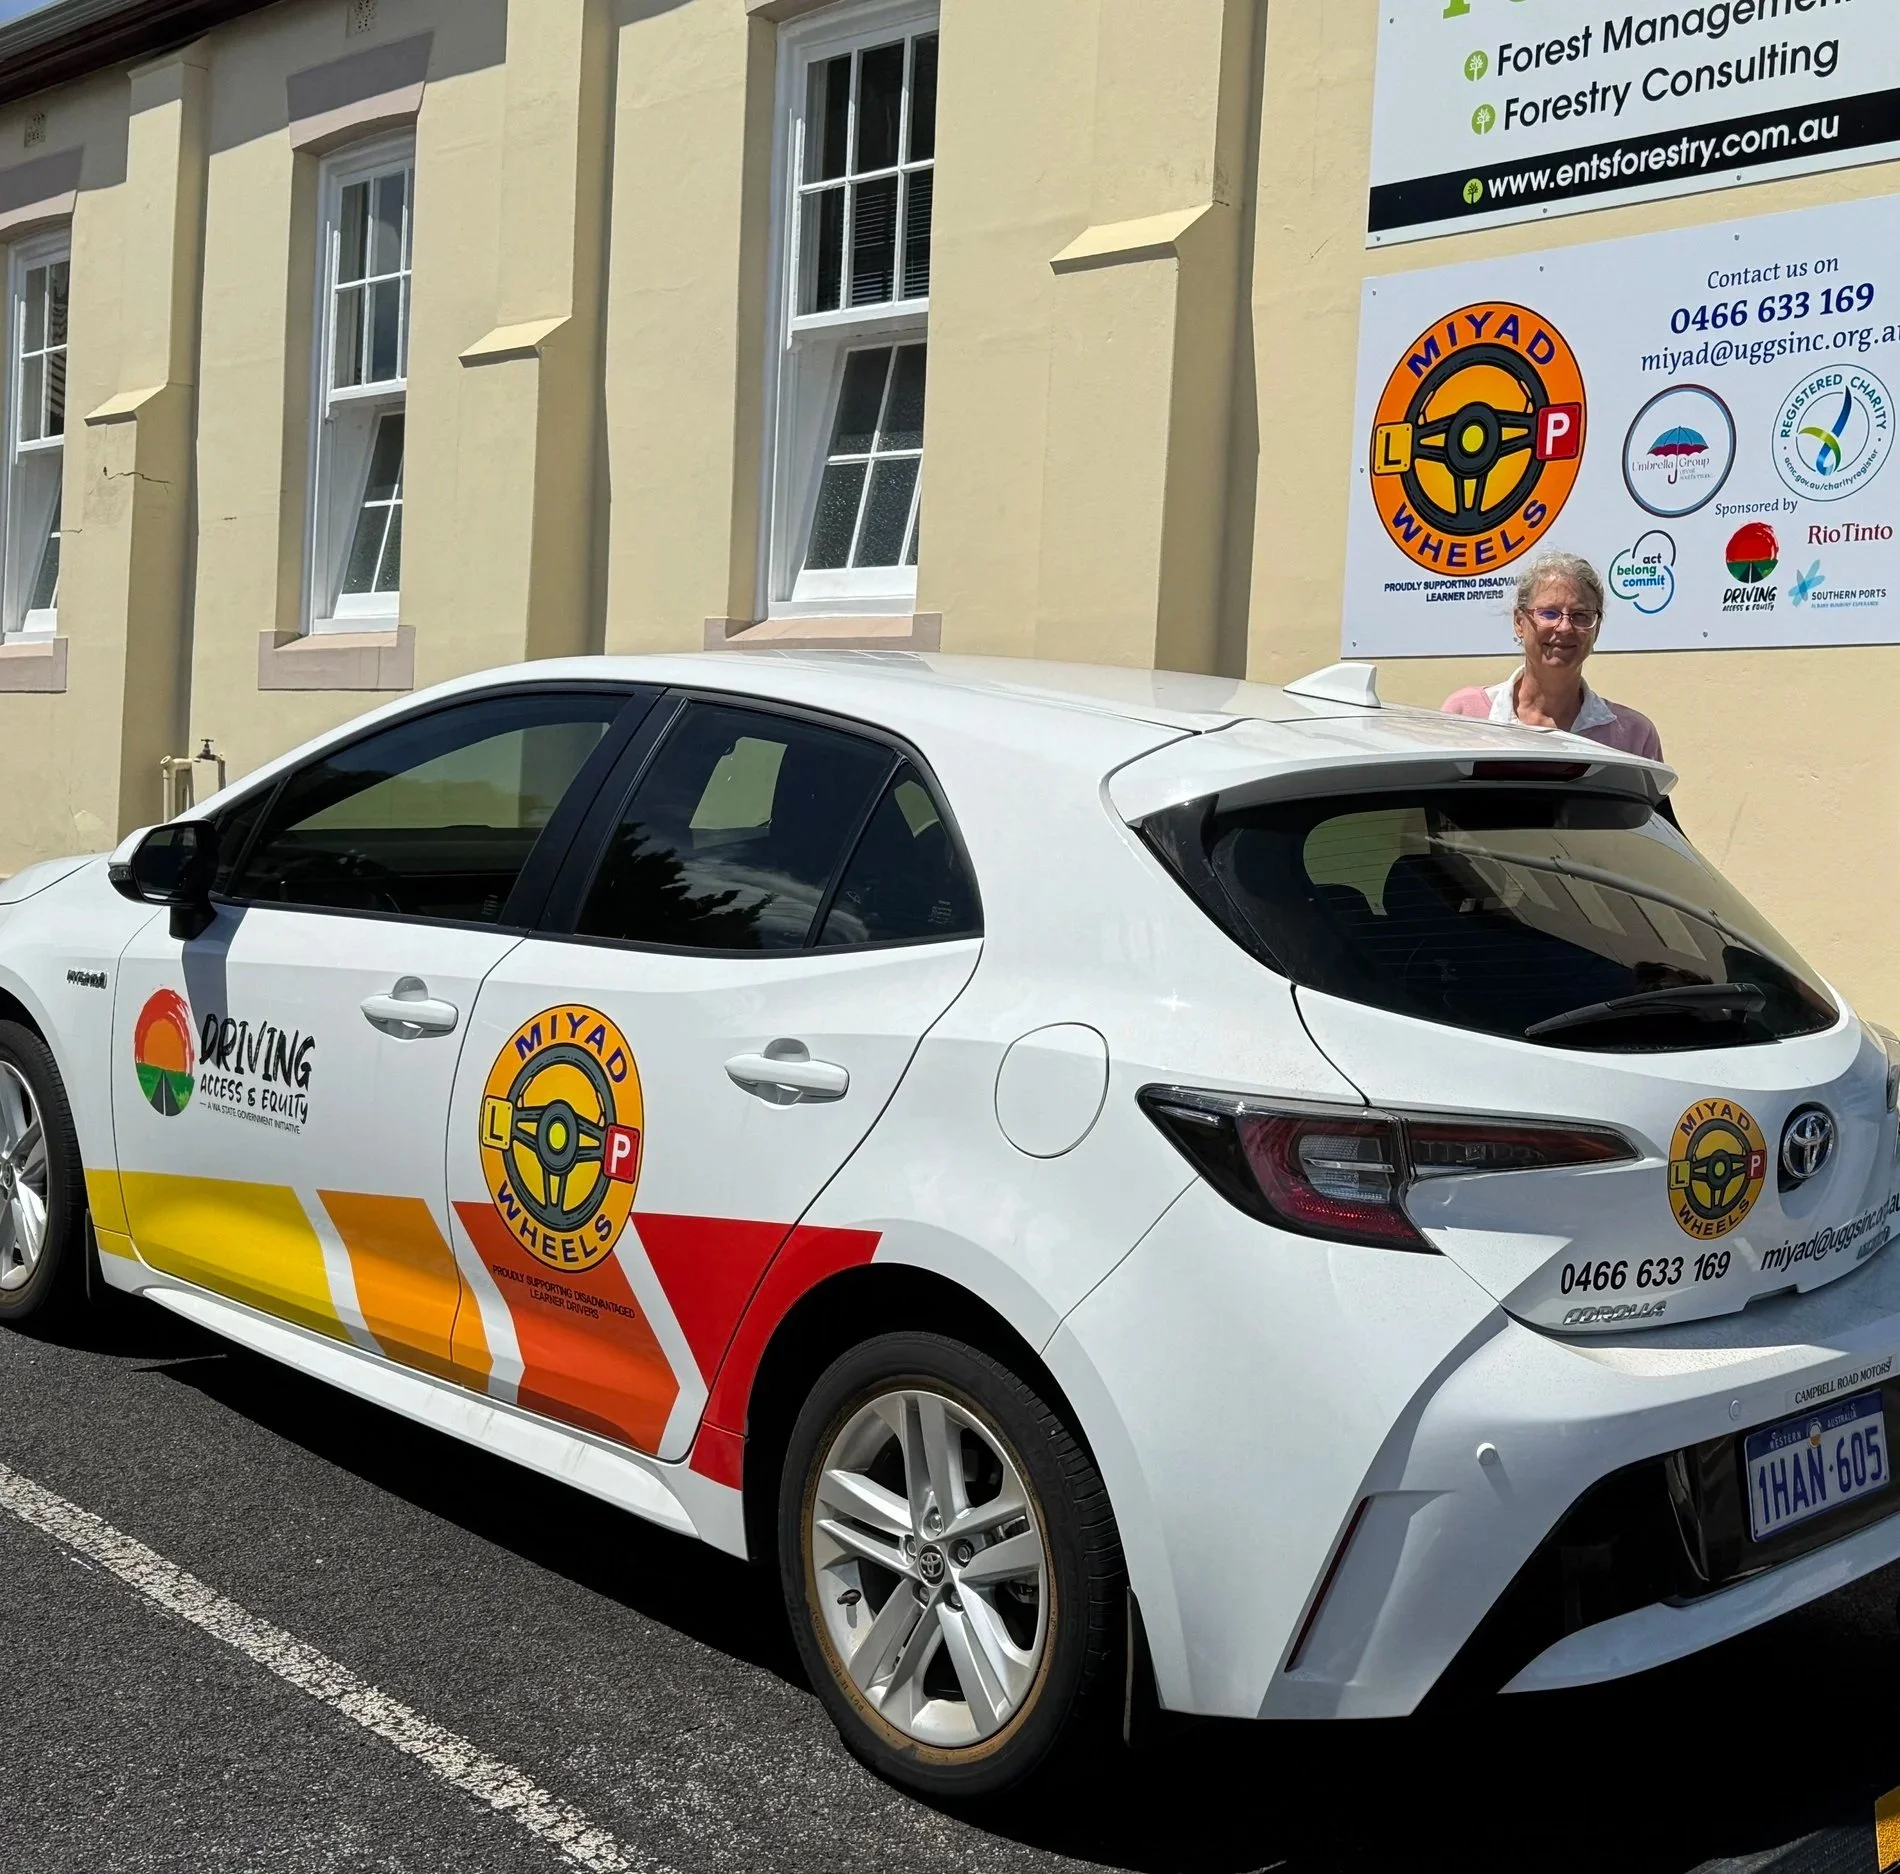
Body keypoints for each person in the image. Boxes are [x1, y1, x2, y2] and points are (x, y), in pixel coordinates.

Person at [1442, 550, 1663, 759]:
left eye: (1580, 615)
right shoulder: (1464, 716)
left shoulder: (1634, 736)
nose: (1565, 627)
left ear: (1596, 629)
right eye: (1548, 613)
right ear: (1519, 622)